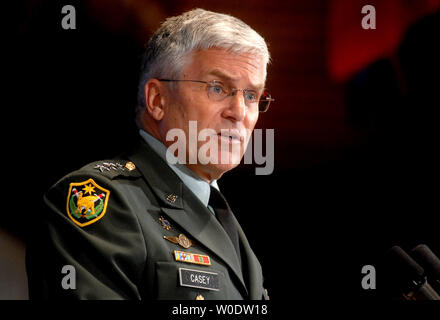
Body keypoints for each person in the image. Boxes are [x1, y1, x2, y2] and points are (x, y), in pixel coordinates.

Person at [27, 8, 273, 300]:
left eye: (251, 95)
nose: (239, 113)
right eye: (218, 88)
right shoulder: (104, 204)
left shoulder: (221, 217)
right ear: (157, 100)